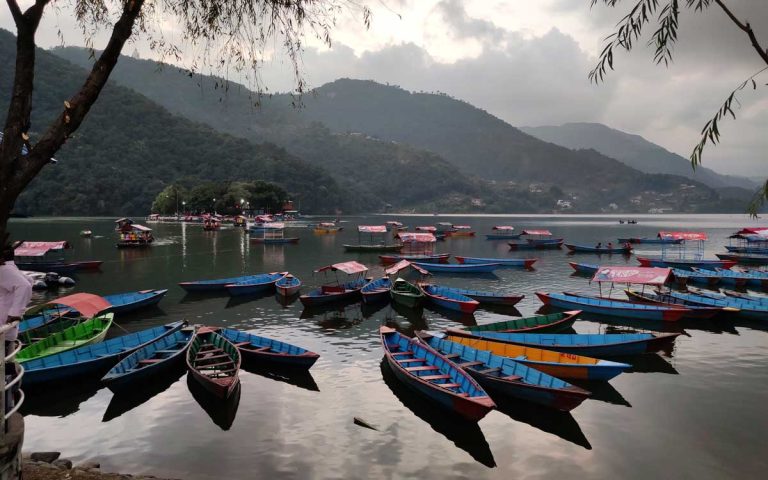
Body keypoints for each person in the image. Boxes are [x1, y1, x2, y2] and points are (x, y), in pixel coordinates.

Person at [0, 240, 33, 349]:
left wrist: (15, 313)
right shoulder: (10, 268)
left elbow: (25, 285)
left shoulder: (4, 269)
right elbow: (29, 281)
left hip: (4, 325)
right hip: (7, 328)